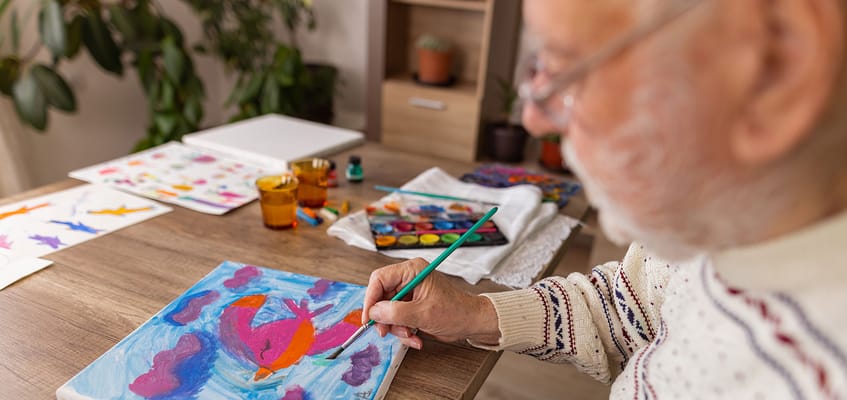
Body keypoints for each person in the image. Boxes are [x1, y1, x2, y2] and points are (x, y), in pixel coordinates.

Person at [362, 0, 847, 397]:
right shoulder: (721, 222)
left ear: (776, 66)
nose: (533, 119)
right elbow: (628, 304)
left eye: (563, 67)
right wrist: (474, 313)